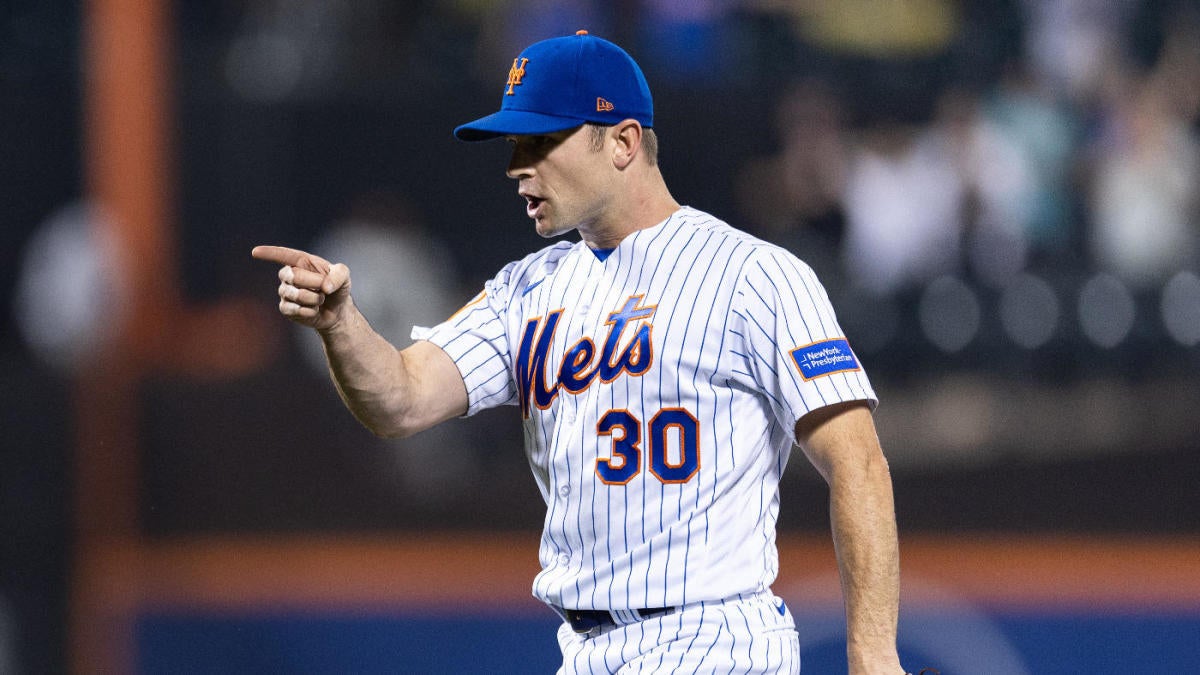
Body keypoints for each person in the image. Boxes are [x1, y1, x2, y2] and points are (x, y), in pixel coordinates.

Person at [253, 31, 907, 674]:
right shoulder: (526, 289)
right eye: (515, 143)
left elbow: (859, 462)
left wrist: (873, 655)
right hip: (587, 648)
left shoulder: (753, 274)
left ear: (623, 141)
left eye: (542, 140)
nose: (517, 164)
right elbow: (399, 398)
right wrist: (339, 323)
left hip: (713, 638)